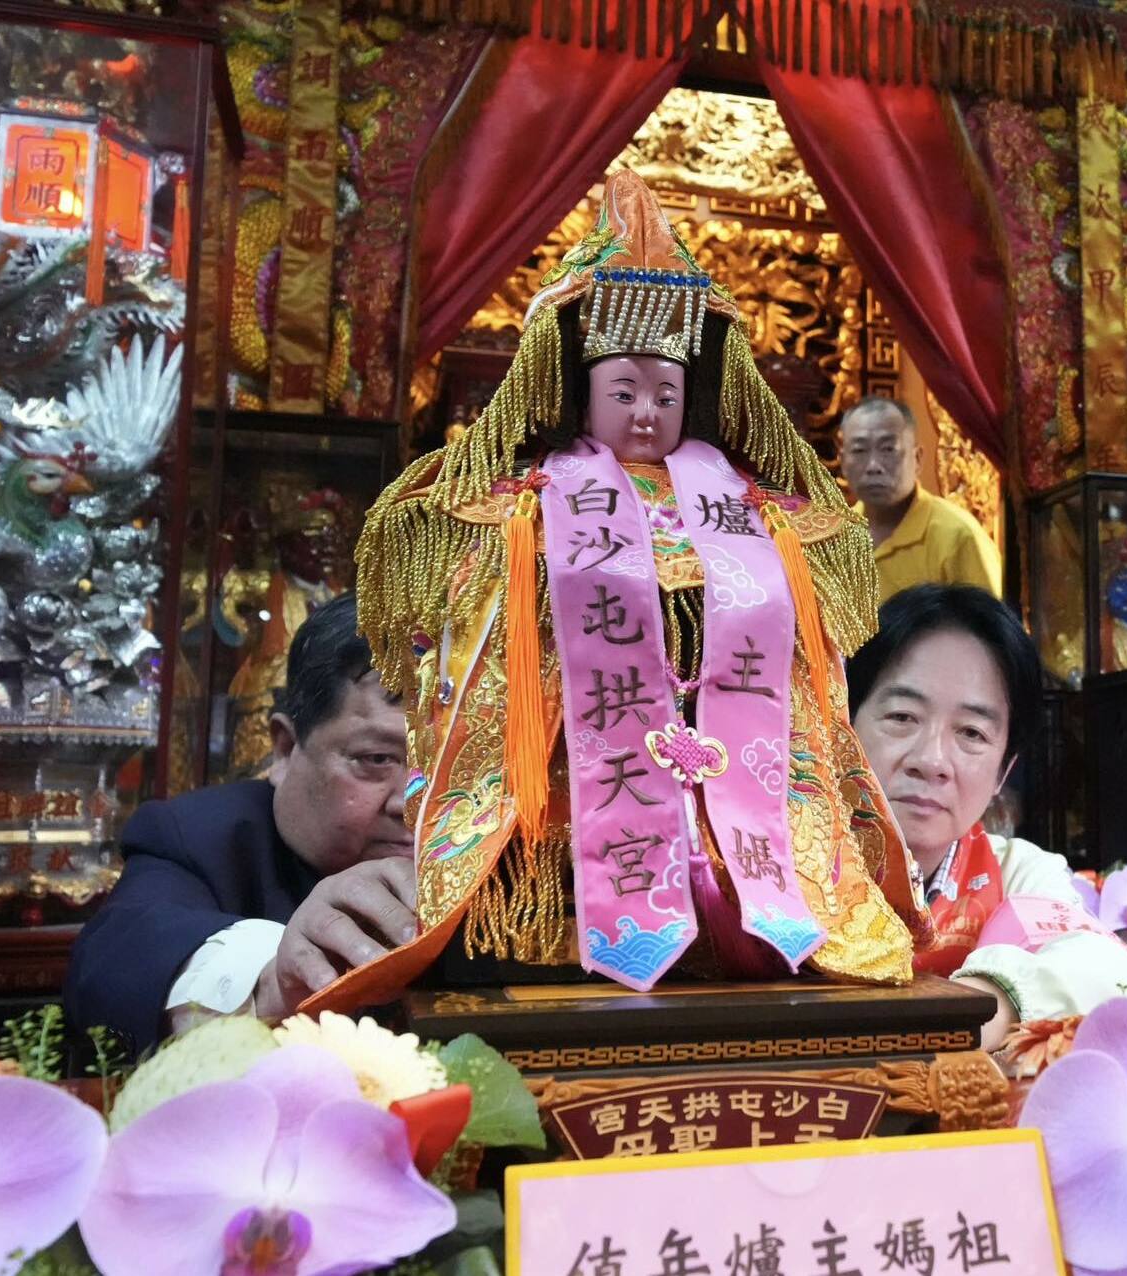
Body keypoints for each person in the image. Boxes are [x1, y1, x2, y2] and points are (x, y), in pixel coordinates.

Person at [316, 171, 922, 1012]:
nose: (645, 412)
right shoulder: (524, 503)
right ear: (582, 392)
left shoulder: (755, 509)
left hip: (732, 779)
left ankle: (756, 905)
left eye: (665, 395)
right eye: (624, 392)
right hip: (575, 791)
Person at [64, 594, 419, 1054]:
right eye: (377, 759)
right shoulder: (198, 839)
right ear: (286, 750)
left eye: (456, 765)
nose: (416, 803)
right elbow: (114, 964)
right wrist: (273, 980)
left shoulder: (510, 857)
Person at [848, 584, 1127, 1048]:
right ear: (842, 725)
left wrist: (988, 1001)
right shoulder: (781, 865)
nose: (931, 761)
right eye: (903, 717)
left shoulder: (1017, 873)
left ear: (1002, 771)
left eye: (971, 732)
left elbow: (1113, 970)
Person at [838, 397, 1001, 603]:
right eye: (859, 450)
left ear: (917, 459)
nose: (873, 466)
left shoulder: (957, 536)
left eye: (888, 449)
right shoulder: (835, 537)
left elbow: (989, 629)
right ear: (843, 461)